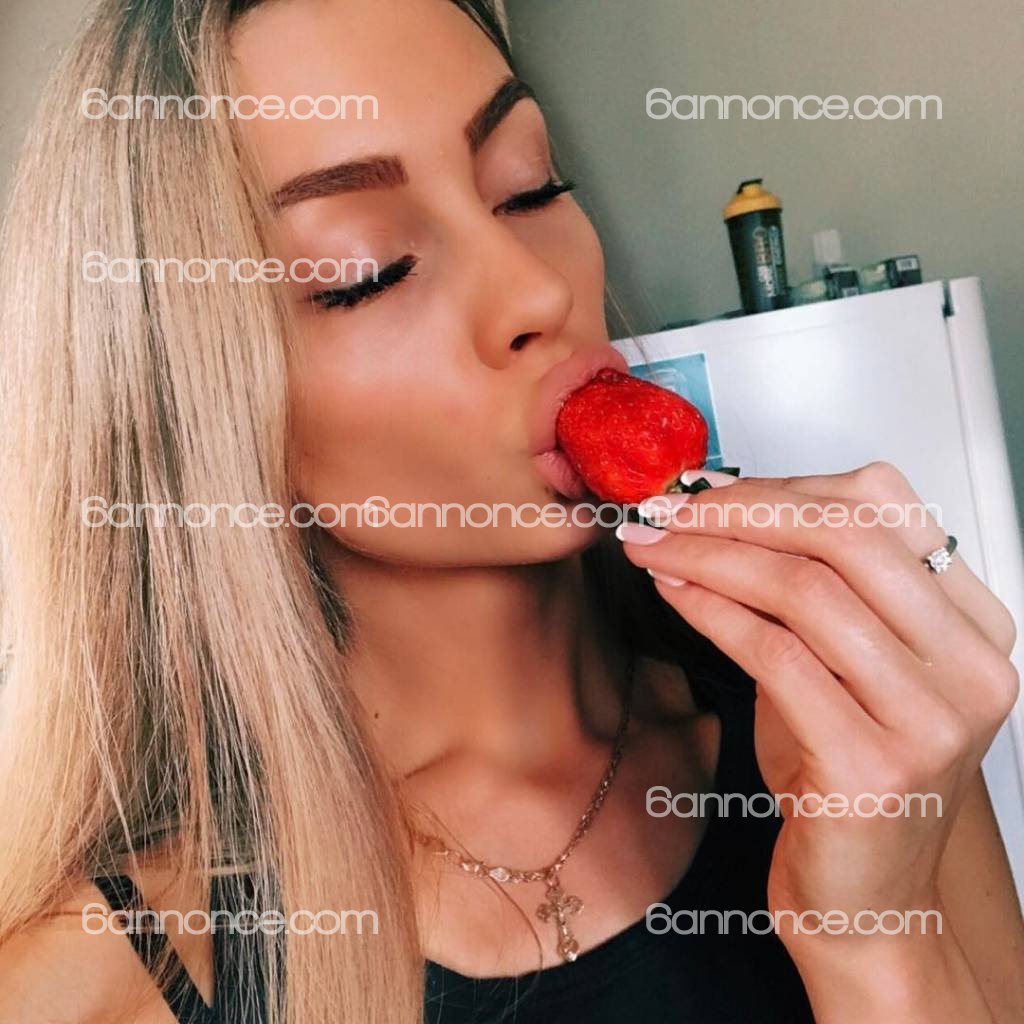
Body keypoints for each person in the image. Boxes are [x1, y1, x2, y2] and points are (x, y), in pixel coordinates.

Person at [0, 1, 1021, 1021]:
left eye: (529, 187)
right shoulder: (91, 978)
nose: (536, 290)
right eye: (367, 272)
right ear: (189, 412)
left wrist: (875, 936)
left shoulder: (855, 736)